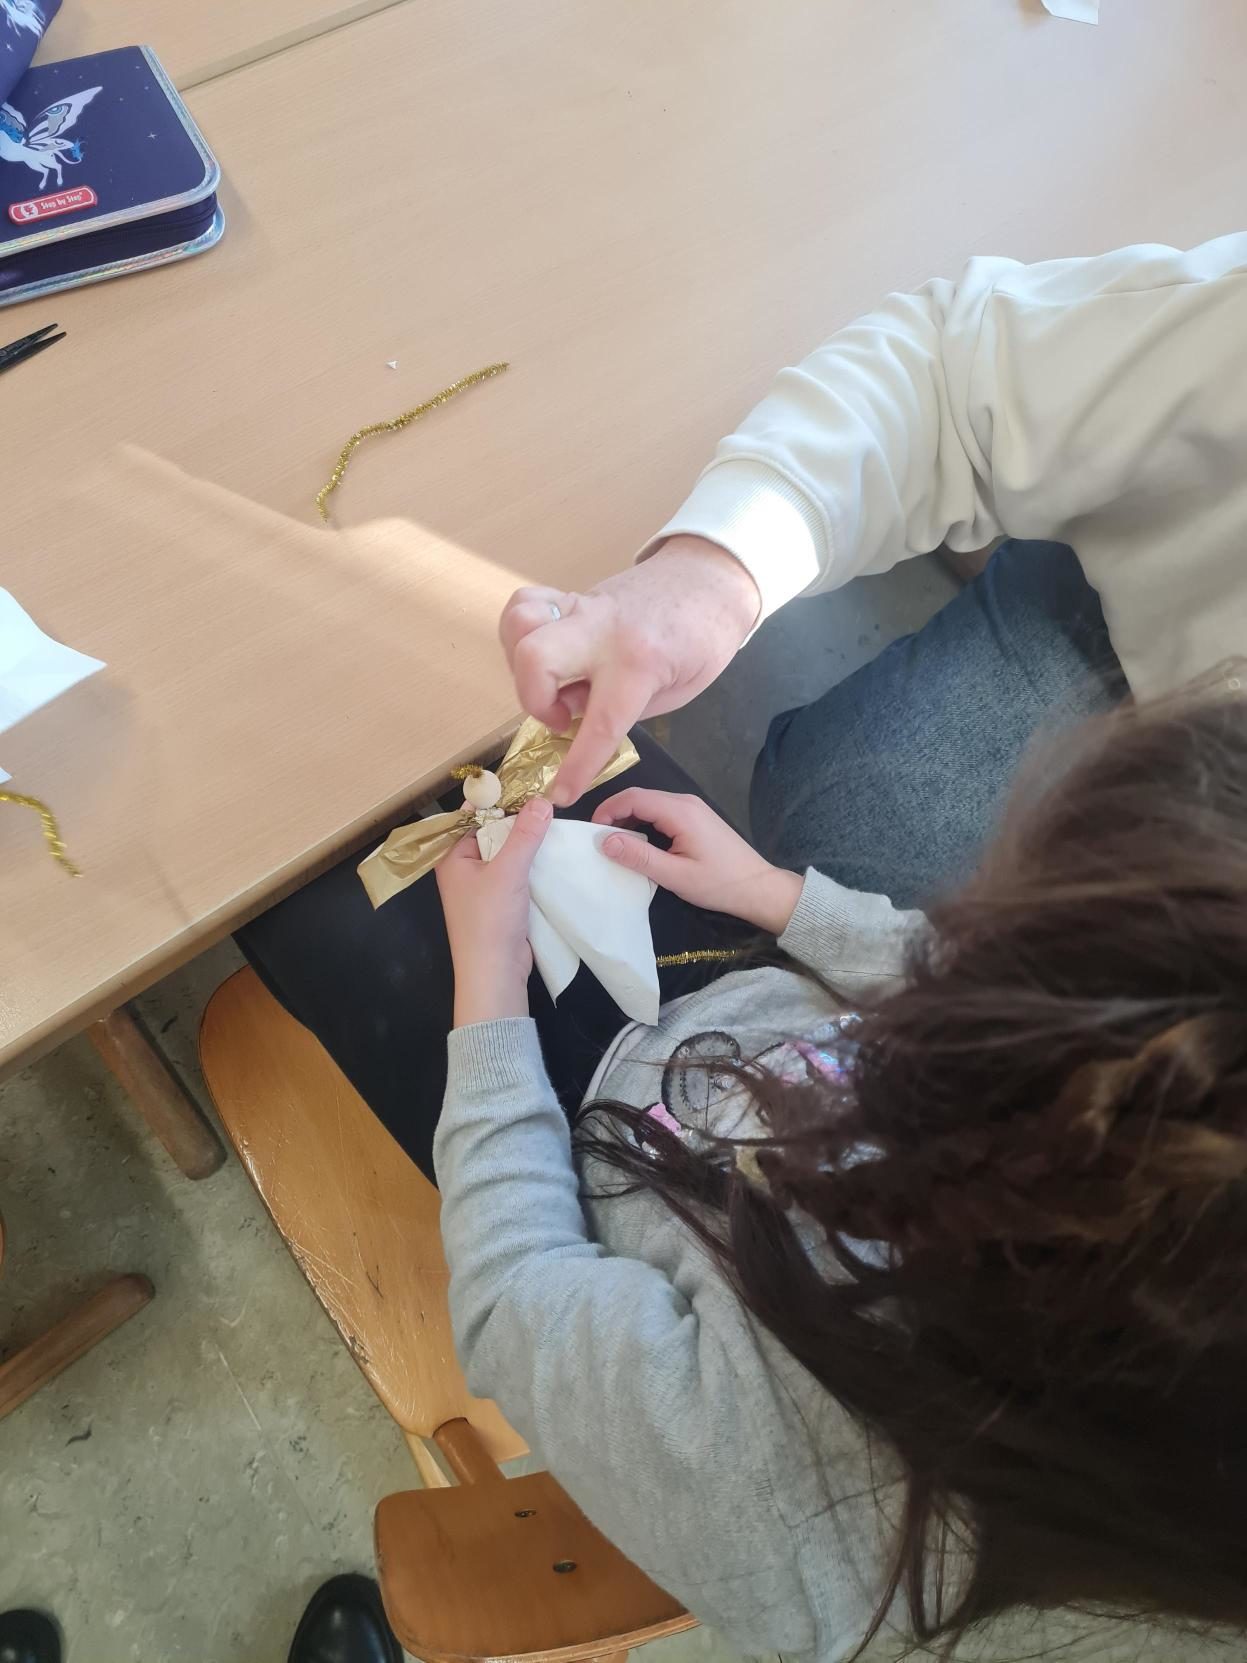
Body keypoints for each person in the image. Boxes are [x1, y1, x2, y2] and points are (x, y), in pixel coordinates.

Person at [235, 231, 1247, 1658]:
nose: (951, 961)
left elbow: (519, 1300)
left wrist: (489, 994)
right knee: (518, 744)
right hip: (747, 1014)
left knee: (284, 869)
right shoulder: (1125, 1110)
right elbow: (971, 995)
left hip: (566, 1148)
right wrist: (783, 899)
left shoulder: (797, 1516)